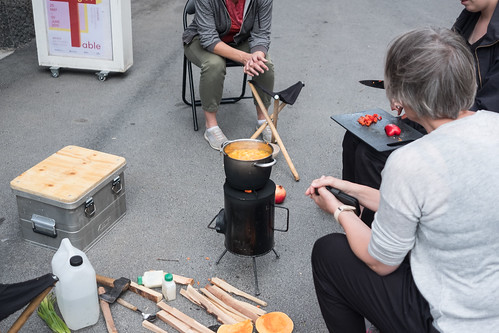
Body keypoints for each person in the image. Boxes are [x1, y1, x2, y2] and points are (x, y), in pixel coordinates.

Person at [306, 27, 499, 332]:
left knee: (329, 253)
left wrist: (339, 210)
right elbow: (423, 207)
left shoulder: (413, 161)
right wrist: (349, 188)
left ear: (404, 94)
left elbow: (380, 261)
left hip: (452, 322)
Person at [341, 0, 499, 224]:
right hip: (439, 108)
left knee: (372, 154)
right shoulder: (469, 17)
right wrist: (404, 87)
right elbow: (436, 67)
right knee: (356, 136)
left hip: (465, 129)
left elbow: (486, 110)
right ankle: (350, 203)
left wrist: (419, 100)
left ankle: (376, 225)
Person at [182, 0, 275, 150]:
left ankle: (263, 120)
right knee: (214, 64)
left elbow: (261, 34)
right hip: (201, 39)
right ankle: (211, 127)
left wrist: (256, 56)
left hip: (240, 39)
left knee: (264, 64)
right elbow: (208, 38)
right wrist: (245, 58)